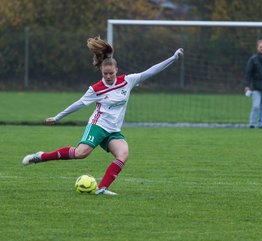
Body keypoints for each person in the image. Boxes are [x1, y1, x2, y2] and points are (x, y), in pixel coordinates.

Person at [22, 36, 184, 195]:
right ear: (101, 71)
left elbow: (151, 71)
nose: (108, 77)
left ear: (116, 71)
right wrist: (57, 117)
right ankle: (41, 156)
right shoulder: (96, 89)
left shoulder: (128, 81)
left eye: (110, 74)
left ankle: (102, 188)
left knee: (123, 154)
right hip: (97, 126)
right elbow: (78, 104)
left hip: (113, 130)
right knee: (81, 154)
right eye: (105, 74)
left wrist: (173, 58)